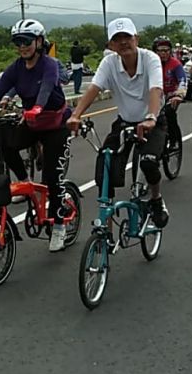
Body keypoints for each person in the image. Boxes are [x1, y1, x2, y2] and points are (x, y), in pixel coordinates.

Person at [0, 19, 73, 252]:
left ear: (39, 42)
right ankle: (23, 181)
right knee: (2, 139)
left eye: (27, 41)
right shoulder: (15, 69)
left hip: (55, 124)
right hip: (32, 122)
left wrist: (38, 107)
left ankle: (60, 226)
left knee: (52, 178)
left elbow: (46, 88)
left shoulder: (49, 64)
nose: (22, 47)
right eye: (18, 42)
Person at [67, 17, 169, 227]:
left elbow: (156, 90)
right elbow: (93, 89)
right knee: (104, 166)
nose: (123, 42)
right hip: (125, 122)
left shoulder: (150, 59)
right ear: (111, 45)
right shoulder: (109, 63)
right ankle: (107, 220)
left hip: (152, 121)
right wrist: (75, 115)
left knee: (149, 162)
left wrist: (151, 117)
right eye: (117, 39)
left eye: (127, 37)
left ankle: (157, 199)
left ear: (136, 39)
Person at [153, 35, 187, 147]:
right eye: (160, 50)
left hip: (170, 96)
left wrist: (179, 95)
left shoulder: (175, 64)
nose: (164, 53)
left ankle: (174, 141)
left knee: (169, 115)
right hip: (154, 96)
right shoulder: (150, 63)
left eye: (167, 50)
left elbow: (182, 80)